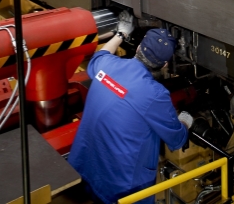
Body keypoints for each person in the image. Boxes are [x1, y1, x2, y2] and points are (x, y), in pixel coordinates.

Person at [68, 12, 193, 204]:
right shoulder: (155, 94)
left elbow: (98, 57)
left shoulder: (107, 66)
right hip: (122, 188)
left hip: (85, 166)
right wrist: (185, 121)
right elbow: (176, 139)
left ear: (139, 48)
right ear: (165, 64)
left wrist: (120, 34)